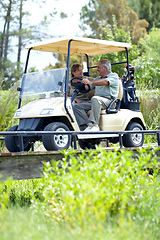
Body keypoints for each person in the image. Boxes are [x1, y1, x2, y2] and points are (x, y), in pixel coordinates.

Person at [73, 59, 119, 132]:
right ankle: (87, 126)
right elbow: (88, 87)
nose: (97, 69)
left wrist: (90, 82)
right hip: (96, 101)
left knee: (95, 99)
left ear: (104, 68)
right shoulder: (98, 79)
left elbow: (105, 82)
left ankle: (95, 125)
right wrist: (83, 84)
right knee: (76, 106)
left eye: (98, 67)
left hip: (109, 102)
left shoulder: (113, 76)